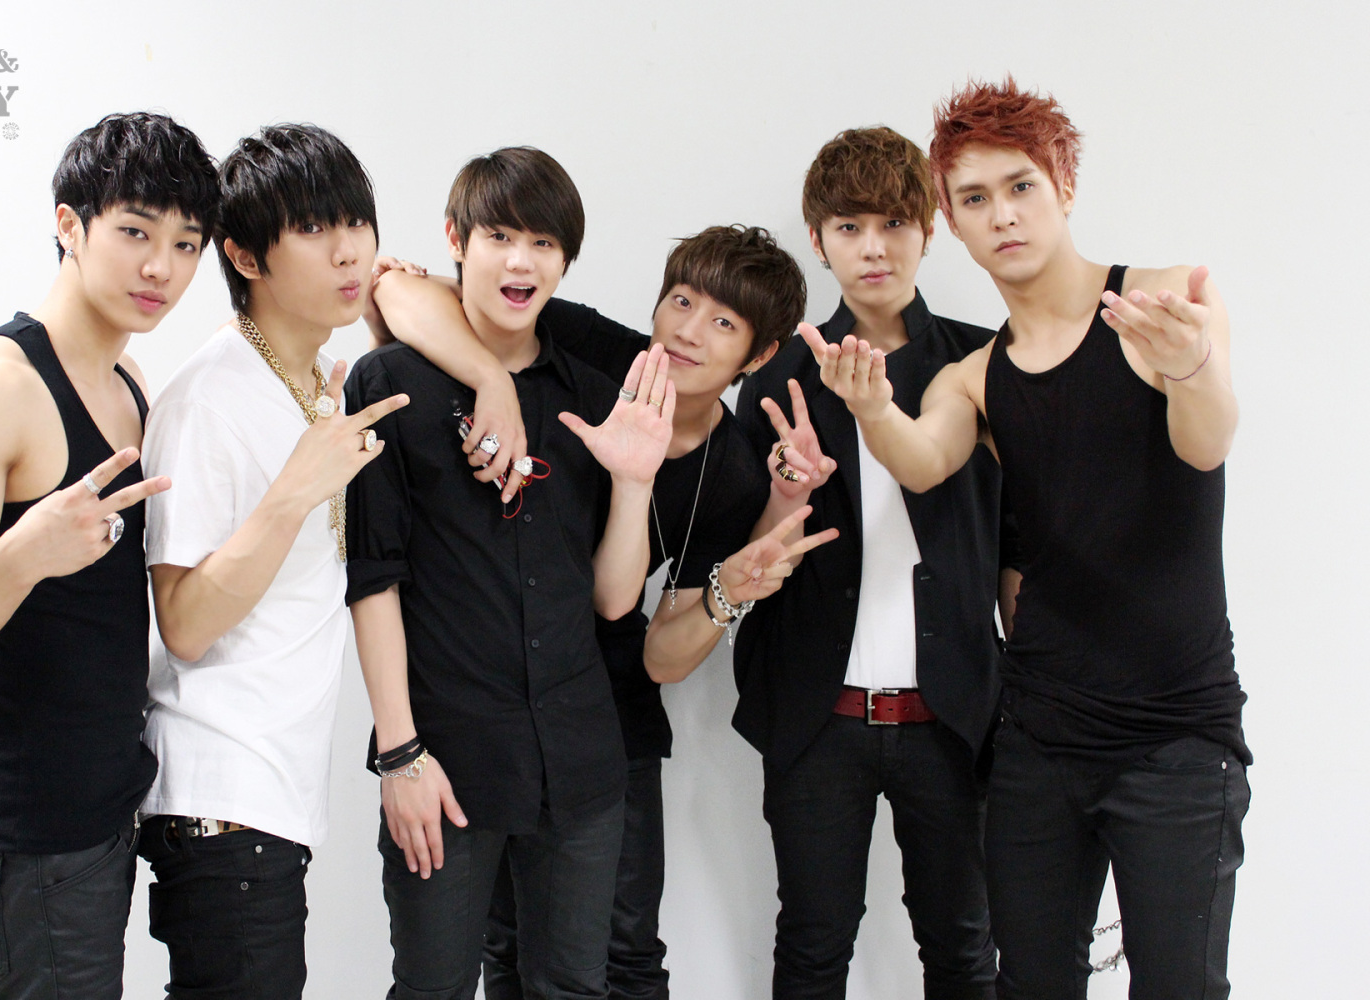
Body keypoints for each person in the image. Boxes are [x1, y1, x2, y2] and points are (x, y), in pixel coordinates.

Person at [809, 78, 1248, 999]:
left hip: (1175, 735)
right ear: (951, 223)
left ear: (1064, 187)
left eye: (1021, 187)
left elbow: (1205, 443)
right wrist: (873, 408)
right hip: (1039, 738)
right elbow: (922, 461)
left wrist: (1195, 368)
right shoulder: (973, 376)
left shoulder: (1158, 302)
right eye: (975, 199)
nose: (1002, 215)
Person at [374, 223, 837, 1000]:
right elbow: (398, 291)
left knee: (622, 953)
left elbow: (661, 654)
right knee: (498, 944)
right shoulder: (596, 351)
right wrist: (489, 378)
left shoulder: (730, 470)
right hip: (491, 687)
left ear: (757, 356)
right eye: (680, 301)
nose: (688, 331)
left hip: (607, 716)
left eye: (723, 322)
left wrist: (745, 563)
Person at [0, 112, 218, 1000]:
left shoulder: (129, 383)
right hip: (26, 820)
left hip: (98, 804)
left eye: (186, 244)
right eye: (135, 233)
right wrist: (24, 553)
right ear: (69, 225)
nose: (161, 269)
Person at [345, 146, 675, 1000]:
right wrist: (399, 755)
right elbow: (372, 581)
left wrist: (635, 482)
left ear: (565, 260)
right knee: (434, 988)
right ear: (456, 240)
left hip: (580, 762)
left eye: (543, 243)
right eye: (499, 236)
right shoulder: (388, 383)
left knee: (572, 988)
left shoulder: (593, 397)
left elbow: (613, 600)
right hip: (446, 764)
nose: (520, 261)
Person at [135, 123, 409, 1000]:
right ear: (246, 256)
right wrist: (292, 493)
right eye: (315, 228)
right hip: (221, 801)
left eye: (357, 221)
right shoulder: (208, 399)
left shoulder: (318, 382)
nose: (349, 250)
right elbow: (183, 623)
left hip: (265, 809)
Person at [732, 126, 1005, 1000]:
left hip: (955, 718)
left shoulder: (980, 363)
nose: (874, 247)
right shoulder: (777, 378)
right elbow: (738, 556)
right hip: (818, 718)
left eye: (893, 223)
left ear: (928, 230)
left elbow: (1023, 543)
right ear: (819, 241)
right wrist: (783, 496)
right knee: (813, 948)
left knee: (964, 950)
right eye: (849, 227)